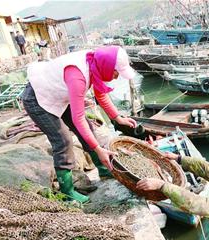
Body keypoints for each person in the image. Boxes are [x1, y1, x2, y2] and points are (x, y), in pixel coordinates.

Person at [21, 46, 137, 203]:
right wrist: (98, 148)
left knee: (87, 128)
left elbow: (101, 94)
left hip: (57, 95)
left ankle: (102, 168)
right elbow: (78, 118)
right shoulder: (77, 76)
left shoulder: (96, 65)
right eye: (116, 73)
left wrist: (118, 118)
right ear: (108, 67)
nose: (117, 77)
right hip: (36, 99)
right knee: (63, 140)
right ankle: (67, 192)